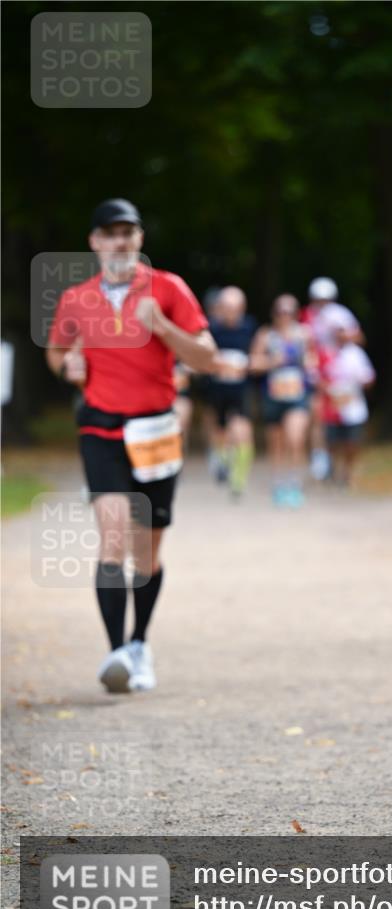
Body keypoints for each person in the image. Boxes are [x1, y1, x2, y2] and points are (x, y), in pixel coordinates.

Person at [46, 198, 216, 693]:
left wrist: (162, 326)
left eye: (128, 232)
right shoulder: (76, 298)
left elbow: (205, 357)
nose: (120, 241)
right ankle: (115, 651)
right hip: (100, 427)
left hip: (156, 431)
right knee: (114, 537)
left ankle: (140, 643)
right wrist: (66, 368)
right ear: (95, 242)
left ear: (139, 239)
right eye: (110, 233)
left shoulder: (168, 289)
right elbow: (58, 350)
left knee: (146, 552)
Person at [250, 294, 316, 507]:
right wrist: (271, 362)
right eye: (280, 311)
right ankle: (279, 483)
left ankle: (294, 482)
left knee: (295, 436)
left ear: (295, 313)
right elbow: (253, 362)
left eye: (288, 311)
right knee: (277, 442)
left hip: (298, 395)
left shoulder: (304, 334)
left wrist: (308, 363)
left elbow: (314, 358)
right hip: (274, 395)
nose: (284, 316)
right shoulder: (266, 335)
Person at [302, 277, 363, 481]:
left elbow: (358, 337)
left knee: (341, 417)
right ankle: (320, 457)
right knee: (318, 414)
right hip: (319, 367)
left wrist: (344, 338)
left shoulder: (342, 315)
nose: (322, 303)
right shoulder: (308, 317)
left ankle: (336, 465)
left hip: (340, 369)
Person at [205, 286, 257, 497]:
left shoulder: (250, 328)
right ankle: (221, 459)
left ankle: (238, 479)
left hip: (240, 390)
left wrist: (245, 364)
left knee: (242, 431)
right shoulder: (211, 329)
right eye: (226, 307)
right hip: (217, 390)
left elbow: (260, 356)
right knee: (220, 431)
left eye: (234, 308)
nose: (230, 312)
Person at [318, 328, 375, 486]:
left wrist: (356, 386)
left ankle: (347, 474)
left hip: (352, 405)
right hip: (331, 405)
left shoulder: (355, 354)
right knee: (332, 442)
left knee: (352, 442)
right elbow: (317, 376)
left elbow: (368, 377)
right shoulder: (326, 352)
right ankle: (332, 472)